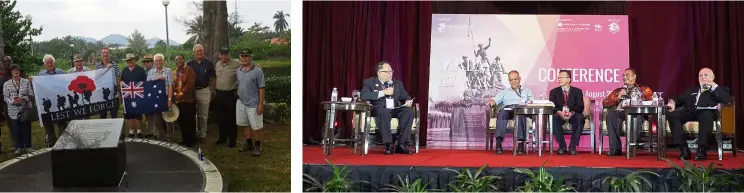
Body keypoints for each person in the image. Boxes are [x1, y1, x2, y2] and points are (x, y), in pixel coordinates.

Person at [667, 68, 731, 160]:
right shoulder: (692, 90)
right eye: (701, 75)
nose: (703, 77)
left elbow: (727, 100)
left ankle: (702, 149)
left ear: (712, 77)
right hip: (691, 111)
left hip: (707, 112)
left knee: (705, 115)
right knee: (673, 115)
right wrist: (672, 103)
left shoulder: (719, 89)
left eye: (706, 75)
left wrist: (713, 86)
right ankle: (684, 149)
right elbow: (678, 99)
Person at [360, 61, 415, 155]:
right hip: (379, 108)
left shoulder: (397, 83)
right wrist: (383, 92)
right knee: (383, 111)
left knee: (408, 111)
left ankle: (402, 144)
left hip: (395, 108)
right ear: (379, 73)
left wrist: (407, 101)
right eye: (387, 72)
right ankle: (388, 144)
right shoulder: (370, 82)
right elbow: (364, 95)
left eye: (391, 71)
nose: (390, 74)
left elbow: (405, 96)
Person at [602, 68, 654, 156]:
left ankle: (631, 147)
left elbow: (652, 102)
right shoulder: (618, 91)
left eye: (627, 75)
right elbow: (605, 102)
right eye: (623, 75)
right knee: (611, 114)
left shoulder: (644, 89)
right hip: (622, 112)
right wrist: (618, 97)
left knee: (635, 116)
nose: (624, 77)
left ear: (634, 76)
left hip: (637, 112)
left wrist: (642, 99)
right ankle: (615, 149)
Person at [487, 70, 532, 155]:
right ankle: (499, 144)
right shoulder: (505, 91)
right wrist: (492, 102)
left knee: (520, 115)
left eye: (515, 79)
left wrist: (526, 104)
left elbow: (532, 102)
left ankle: (520, 145)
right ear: (509, 81)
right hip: (508, 110)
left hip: (520, 110)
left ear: (519, 79)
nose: (513, 81)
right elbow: (494, 100)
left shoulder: (526, 90)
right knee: (501, 114)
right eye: (511, 80)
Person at [235, 50, 266, 156]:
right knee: (245, 124)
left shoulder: (258, 71)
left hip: (254, 103)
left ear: (251, 57)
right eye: (242, 56)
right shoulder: (238, 70)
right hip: (241, 101)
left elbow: (261, 88)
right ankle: (249, 144)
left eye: (247, 56)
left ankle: (257, 146)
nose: (244, 58)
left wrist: (261, 104)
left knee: (256, 126)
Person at [548, 70, 584, 155]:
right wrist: (559, 112)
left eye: (561, 77)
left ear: (568, 79)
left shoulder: (577, 91)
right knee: (553, 118)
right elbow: (552, 106)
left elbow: (580, 106)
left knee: (580, 117)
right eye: (558, 77)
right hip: (560, 114)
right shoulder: (553, 92)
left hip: (572, 114)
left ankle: (572, 146)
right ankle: (562, 146)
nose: (559, 79)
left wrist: (572, 112)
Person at [38, 54, 68, 147]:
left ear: (54, 63)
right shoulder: (41, 75)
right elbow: (38, 88)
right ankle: (51, 143)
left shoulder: (61, 72)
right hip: (48, 104)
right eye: (48, 63)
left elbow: (66, 85)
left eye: (51, 62)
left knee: (62, 122)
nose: (50, 64)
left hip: (59, 102)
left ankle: (63, 142)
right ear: (45, 64)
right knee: (48, 123)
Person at [188, 44, 216, 141]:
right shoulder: (190, 64)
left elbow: (213, 77)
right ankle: (194, 133)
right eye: (197, 51)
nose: (199, 52)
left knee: (203, 114)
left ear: (204, 52)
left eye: (201, 51)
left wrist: (212, 90)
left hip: (204, 90)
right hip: (192, 91)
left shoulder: (209, 63)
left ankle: (202, 134)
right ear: (194, 53)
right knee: (193, 113)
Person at [214, 47, 241, 147]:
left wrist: (257, 66)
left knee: (231, 118)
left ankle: (232, 140)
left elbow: (248, 63)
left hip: (230, 94)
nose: (224, 56)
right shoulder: (217, 64)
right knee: (221, 118)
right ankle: (222, 138)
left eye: (226, 54)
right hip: (219, 94)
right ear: (219, 55)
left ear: (229, 54)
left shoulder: (236, 63)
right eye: (222, 54)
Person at [4, 64, 33, 155]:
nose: (16, 72)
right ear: (11, 72)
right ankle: (19, 147)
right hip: (13, 109)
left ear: (19, 71)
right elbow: (5, 97)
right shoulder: (7, 84)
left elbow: (31, 94)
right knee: (16, 129)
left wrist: (23, 98)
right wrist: (13, 101)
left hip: (25, 108)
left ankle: (28, 146)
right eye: (13, 70)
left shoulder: (26, 82)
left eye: (17, 70)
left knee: (26, 127)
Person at [146, 54, 173, 140]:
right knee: (157, 119)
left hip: (165, 96)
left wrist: (169, 99)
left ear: (163, 61)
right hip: (155, 98)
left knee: (167, 118)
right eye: (157, 61)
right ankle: (161, 135)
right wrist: (157, 80)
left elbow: (170, 86)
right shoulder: (150, 72)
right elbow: (148, 85)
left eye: (160, 60)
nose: (158, 62)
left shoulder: (168, 71)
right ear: (154, 62)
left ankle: (169, 136)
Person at [120, 53, 148, 138]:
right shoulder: (124, 70)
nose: (130, 62)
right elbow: (122, 80)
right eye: (128, 60)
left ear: (134, 60)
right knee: (129, 113)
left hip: (138, 95)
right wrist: (121, 83)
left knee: (138, 113)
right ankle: (131, 131)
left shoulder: (141, 69)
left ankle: (139, 131)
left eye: (131, 60)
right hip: (128, 95)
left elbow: (145, 82)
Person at [173, 54, 197, 147]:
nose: (178, 61)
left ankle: (191, 140)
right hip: (179, 101)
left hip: (188, 100)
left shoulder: (189, 70)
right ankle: (184, 139)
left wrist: (181, 94)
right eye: (176, 60)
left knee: (189, 120)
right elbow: (173, 85)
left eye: (180, 59)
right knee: (181, 121)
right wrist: (175, 94)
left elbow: (190, 84)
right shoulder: (175, 72)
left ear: (184, 60)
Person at [95, 47, 121, 119]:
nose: (105, 54)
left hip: (113, 92)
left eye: (107, 53)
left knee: (114, 113)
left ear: (109, 54)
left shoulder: (114, 64)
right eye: (103, 53)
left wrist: (119, 91)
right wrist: (106, 68)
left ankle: (115, 129)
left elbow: (118, 77)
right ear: (101, 54)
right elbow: (96, 77)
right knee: (103, 114)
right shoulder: (97, 66)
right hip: (102, 93)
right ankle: (104, 129)